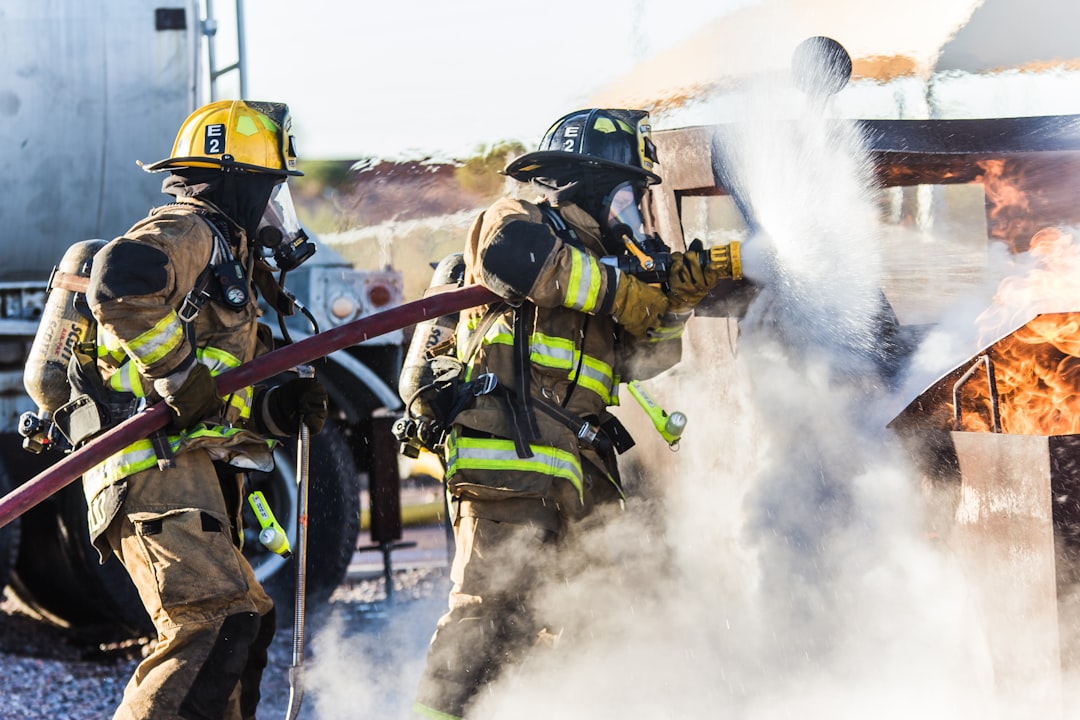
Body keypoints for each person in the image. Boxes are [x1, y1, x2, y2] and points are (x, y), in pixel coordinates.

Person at [412, 108, 737, 719]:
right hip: (507, 459)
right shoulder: (519, 221)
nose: (636, 214)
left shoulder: (602, 266)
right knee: (484, 618)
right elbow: (514, 260)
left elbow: (640, 360)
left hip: (578, 469)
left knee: (582, 625)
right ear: (586, 183)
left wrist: (678, 302)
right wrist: (632, 291)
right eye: (629, 196)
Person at [80, 99, 328, 720]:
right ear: (237, 184)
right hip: (147, 464)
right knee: (213, 622)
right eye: (271, 194)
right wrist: (180, 376)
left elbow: (223, 395)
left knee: (244, 624)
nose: (277, 215)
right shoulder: (190, 229)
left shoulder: (228, 262)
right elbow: (120, 280)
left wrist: (277, 407)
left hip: (188, 465)